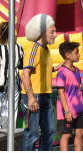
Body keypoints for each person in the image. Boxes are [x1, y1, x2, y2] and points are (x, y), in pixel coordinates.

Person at [21, 14, 60, 151]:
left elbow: (45, 70)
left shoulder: (46, 50)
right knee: (32, 133)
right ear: (42, 33)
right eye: (52, 32)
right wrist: (31, 98)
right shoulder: (34, 49)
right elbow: (25, 74)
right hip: (35, 95)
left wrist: (59, 66)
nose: (55, 35)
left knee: (49, 131)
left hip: (45, 95)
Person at [55, 41, 83, 151]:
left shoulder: (77, 70)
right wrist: (67, 111)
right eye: (76, 52)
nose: (79, 55)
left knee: (80, 132)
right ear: (67, 55)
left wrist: (82, 105)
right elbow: (61, 93)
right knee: (66, 134)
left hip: (78, 109)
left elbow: (78, 89)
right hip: (68, 111)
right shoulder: (62, 73)